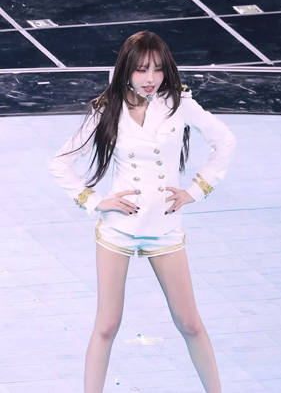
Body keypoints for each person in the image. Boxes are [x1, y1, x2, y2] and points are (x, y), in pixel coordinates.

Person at [49, 30, 235, 392]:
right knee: (106, 326)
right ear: (126, 70)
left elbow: (225, 141)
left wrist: (196, 190)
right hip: (118, 230)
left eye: (157, 69)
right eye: (141, 69)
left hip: (164, 228)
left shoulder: (179, 103)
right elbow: (60, 162)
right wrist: (94, 200)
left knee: (190, 323)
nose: (150, 78)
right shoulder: (108, 108)